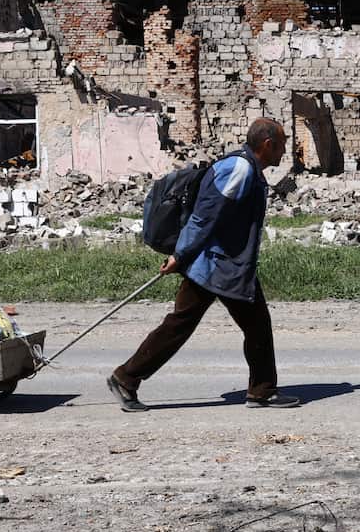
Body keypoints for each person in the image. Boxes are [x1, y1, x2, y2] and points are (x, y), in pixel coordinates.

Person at [106, 117, 301, 412]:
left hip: (223, 264)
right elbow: (204, 217)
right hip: (217, 266)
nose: (284, 151)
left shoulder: (244, 167)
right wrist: (180, 255)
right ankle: (261, 391)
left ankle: (127, 377)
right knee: (239, 325)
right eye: (282, 145)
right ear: (268, 144)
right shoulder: (239, 169)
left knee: (191, 325)